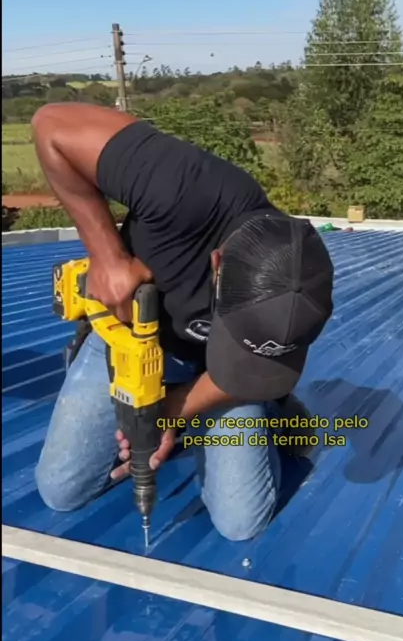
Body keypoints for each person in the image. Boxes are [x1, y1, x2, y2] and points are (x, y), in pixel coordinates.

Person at [32, 103, 334, 541]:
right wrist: (107, 255)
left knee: (240, 523)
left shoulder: (299, 284)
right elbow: (50, 124)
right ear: (217, 264)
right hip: (131, 342)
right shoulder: (182, 187)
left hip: (216, 370)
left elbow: (242, 376)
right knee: (61, 490)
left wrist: (169, 413)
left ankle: (273, 409)